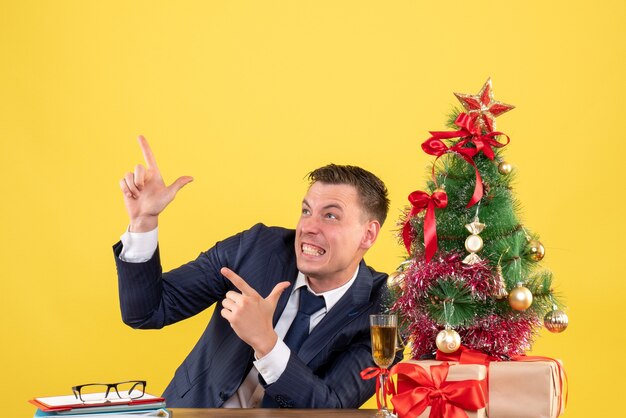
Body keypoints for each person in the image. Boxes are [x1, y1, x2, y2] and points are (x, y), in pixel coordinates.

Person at [113, 135, 398, 408]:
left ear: (368, 235)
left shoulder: (386, 308)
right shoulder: (256, 248)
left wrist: (266, 342)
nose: (308, 227)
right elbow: (148, 311)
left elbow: (332, 406)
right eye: (306, 211)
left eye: (331, 215)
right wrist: (144, 222)